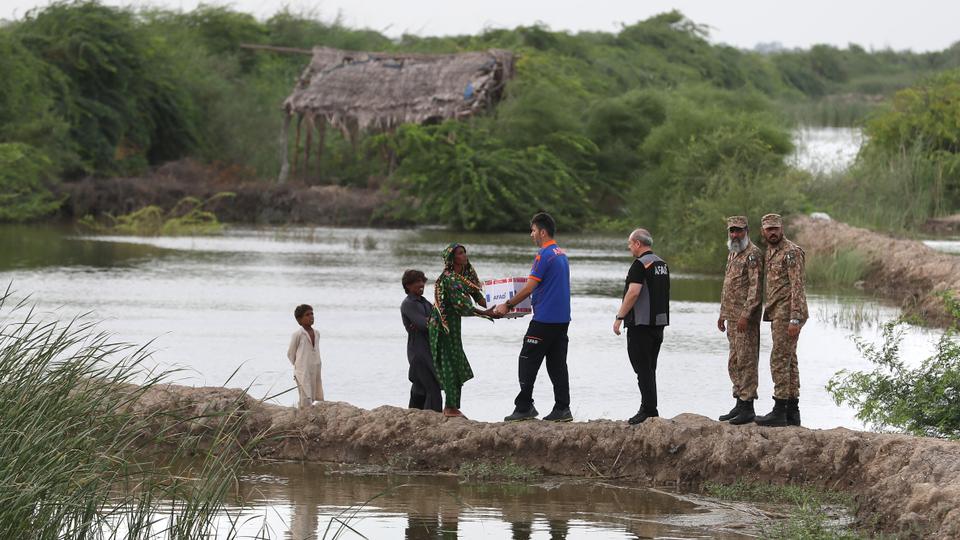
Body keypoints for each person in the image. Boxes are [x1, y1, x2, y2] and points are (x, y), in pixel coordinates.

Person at [495, 212, 573, 423]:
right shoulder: (561, 254)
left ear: (542, 231)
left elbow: (530, 287)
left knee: (527, 360)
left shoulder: (544, 254)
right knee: (557, 364)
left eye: (533, 230)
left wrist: (508, 305)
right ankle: (563, 408)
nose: (531, 234)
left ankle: (524, 407)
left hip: (545, 320)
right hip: (562, 320)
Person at [755, 213, 808, 427]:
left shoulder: (791, 252)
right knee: (789, 360)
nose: (773, 232)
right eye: (768, 229)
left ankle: (779, 410)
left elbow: (798, 286)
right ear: (763, 232)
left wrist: (795, 318)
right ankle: (792, 412)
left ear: (782, 228)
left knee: (779, 359)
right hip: (778, 312)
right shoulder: (771, 251)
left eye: (775, 228)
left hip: (788, 314)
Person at [613, 228, 670, 425]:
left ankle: (648, 409)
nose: (629, 248)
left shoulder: (639, 265)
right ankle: (649, 406)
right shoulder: (662, 264)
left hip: (641, 324)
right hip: (659, 324)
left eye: (630, 244)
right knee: (650, 368)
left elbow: (634, 292)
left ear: (638, 243)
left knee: (642, 368)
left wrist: (620, 316)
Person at [428, 243, 491, 418]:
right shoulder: (449, 278)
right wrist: (488, 313)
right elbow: (463, 306)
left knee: (457, 361)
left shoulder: (464, 274)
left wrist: (503, 307)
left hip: (454, 324)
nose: (464, 256)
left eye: (464, 252)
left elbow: (478, 295)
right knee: (450, 363)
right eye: (460, 253)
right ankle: (449, 407)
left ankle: (453, 406)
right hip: (443, 325)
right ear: (452, 258)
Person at [716, 216, 763, 425]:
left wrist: (746, 315)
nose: (735, 234)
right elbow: (728, 286)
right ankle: (738, 402)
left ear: (747, 231)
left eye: (739, 231)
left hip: (745, 320)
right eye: (732, 231)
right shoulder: (733, 253)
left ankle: (748, 405)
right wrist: (722, 314)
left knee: (747, 361)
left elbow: (755, 289)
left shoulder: (753, 255)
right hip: (731, 317)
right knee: (734, 361)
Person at [401, 269, 442, 413]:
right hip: (418, 353)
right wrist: (431, 321)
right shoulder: (408, 304)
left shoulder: (424, 302)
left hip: (429, 350)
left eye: (422, 281)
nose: (421, 284)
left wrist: (431, 321)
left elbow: (435, 322)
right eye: (417, 282)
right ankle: (434, 420)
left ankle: (412, 416)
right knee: (433, 387)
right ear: (408, 285)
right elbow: (425, 325)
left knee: (420, 388)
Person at [287, 304, 323, 409]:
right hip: (302, 370)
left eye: (312, 314)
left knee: (312, 394)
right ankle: (303, 415)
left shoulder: (317, 333)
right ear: (299, 320)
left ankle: (306, 413)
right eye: (307, 315)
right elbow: (290, 353)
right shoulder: (298, 334)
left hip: (314, 368)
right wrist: (299, 365)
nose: (311, 316)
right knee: (305, 396)